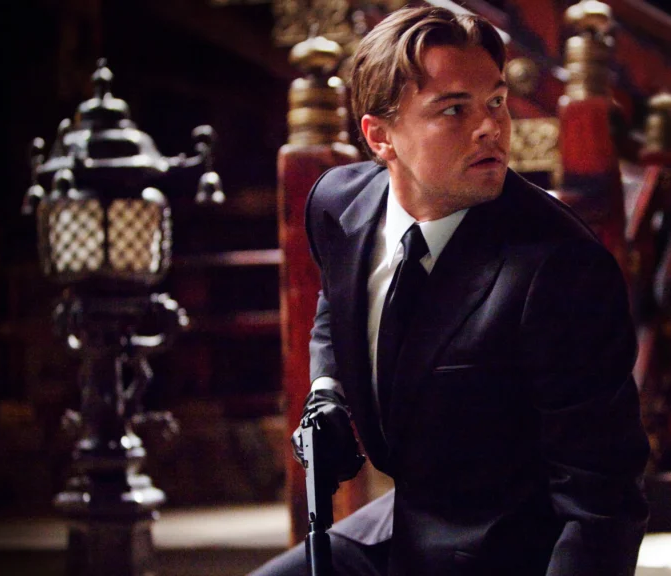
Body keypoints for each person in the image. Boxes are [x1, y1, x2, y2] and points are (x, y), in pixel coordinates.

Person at [249, 6, 649, 576]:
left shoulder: (563, 269)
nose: (491, 128)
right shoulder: (338, 205)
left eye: (496, 101)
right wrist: (327, 391)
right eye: (455, 109)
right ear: (380, 136)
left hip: (509, 546)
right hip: (404, 521)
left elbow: (602, 502)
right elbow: (335, 304)